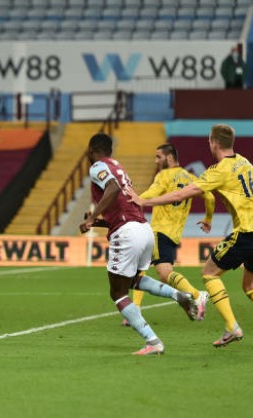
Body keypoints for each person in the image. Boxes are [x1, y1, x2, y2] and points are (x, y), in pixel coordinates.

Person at [126, 124, 253, 354]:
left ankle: (232, 327)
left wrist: (142, 201)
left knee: (209, 272)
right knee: (252, 285)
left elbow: (181, 193)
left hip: (247, 233)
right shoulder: (245, 162)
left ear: (213, 143)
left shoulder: (219, 170)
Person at [79, 133, 198, 356]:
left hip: (127, 233)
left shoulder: (98, 166)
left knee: (117, 293)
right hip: (143, 228)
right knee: (133, 279)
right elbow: (122, 203)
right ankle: (178, 295)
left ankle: (153, 341)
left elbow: (113, 190)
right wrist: (100, 222)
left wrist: (90, 217)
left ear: (93, 150)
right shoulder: (118, 166)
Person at [125, 143, 215, 326]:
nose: (156, 161)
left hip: (159, 231)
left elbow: (153, 192)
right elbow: (211, 197)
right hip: (173, 234)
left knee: (164, 273)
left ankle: (197, 295)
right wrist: (208, 219)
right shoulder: (191, 178)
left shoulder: (164, 175)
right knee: (140, 268)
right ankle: (135, 310)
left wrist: (137, 198)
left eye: (159, 157)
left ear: (170, 158)